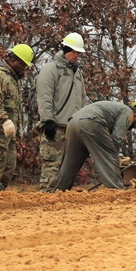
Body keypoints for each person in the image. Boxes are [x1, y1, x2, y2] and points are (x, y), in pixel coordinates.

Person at [54, 100, 136, 191]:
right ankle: (117, 191)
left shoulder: (114, 108)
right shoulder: (127, 112)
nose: (134, 127)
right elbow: (116, 138)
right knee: (109, 156)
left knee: (70, 162)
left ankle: (58, 192)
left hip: (73, 122)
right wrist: (114, 159)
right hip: (91, 123)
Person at [34, 32, 88, 191]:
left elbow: (82, 99)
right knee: (52, 168)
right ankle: (46, 199)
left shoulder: (77, 73)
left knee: (67, 170)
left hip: (72, 129)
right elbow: (44, 96)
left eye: (78, 52)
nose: (76, 55)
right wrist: (47, 120)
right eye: (73, 51)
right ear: (64, 49)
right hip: (55, 127)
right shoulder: (50, 70)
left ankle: (61, 201)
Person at [0, 44, 34, 190]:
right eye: (23, 65)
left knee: (9, 167)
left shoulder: (12, 78)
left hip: (9, 132)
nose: (24, 69)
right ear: (13, 60)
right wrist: (4, 120)